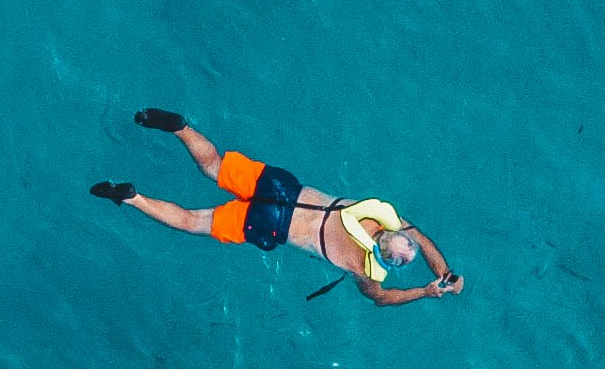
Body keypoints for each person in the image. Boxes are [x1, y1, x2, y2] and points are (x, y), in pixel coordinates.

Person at [94, 109, 463, 305]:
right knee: (193, 221)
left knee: (214, 166)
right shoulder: (366, 270)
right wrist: (426, 291)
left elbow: (422, 238)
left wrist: (446, 271)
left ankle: (179, 128)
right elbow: (381, 299)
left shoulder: (383, 213)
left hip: (285, 188)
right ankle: (132, 198)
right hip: (273, 223)